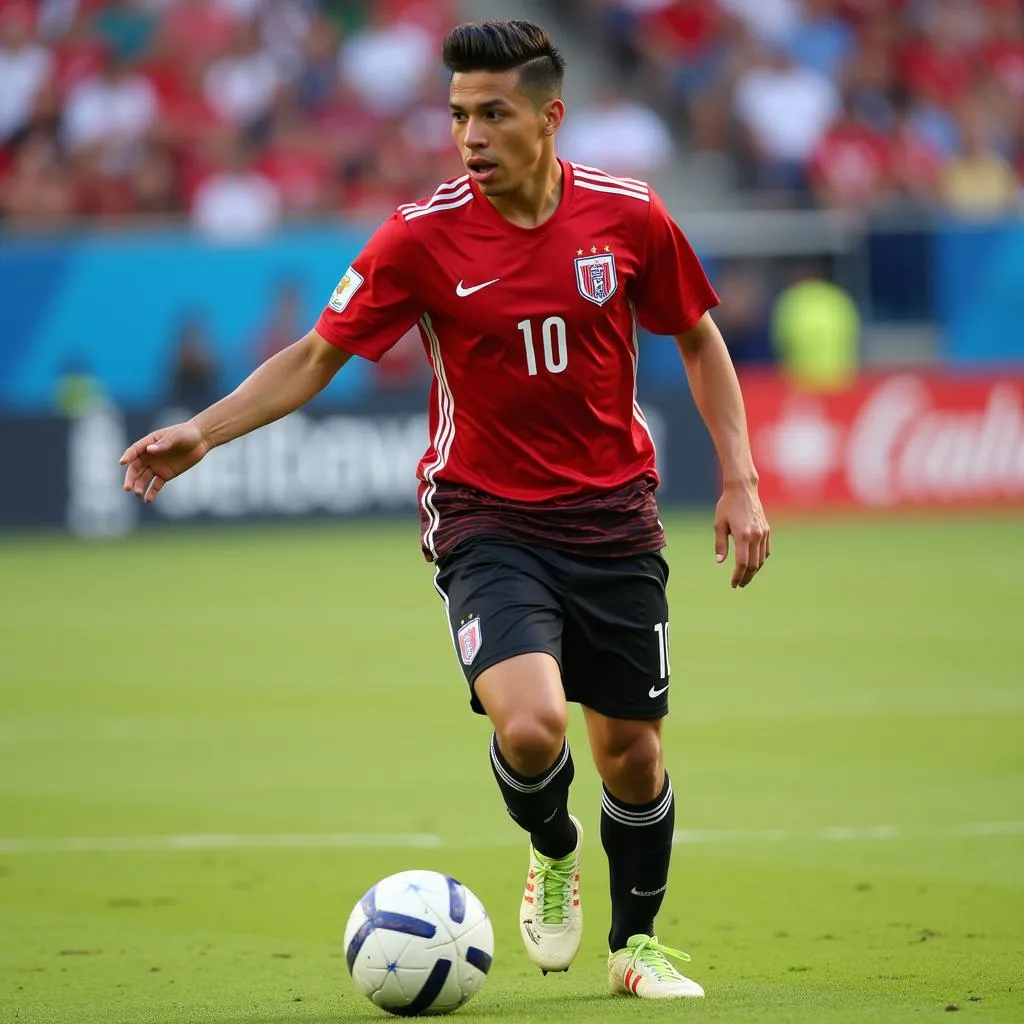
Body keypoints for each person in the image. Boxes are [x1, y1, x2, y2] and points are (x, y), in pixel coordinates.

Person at [119, 19, 770, 1001]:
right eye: (458, 113)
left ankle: (635, 949)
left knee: (632, 754)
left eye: (492, 113)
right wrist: (202, 433)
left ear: (549, 117)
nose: (469, 134)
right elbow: (314, 356)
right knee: (531, 727)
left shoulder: (629, 216)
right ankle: (552, 850)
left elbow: (698, 336)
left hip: (614, 516)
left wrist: (740, 477)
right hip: (485, 515)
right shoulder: (419, 236)